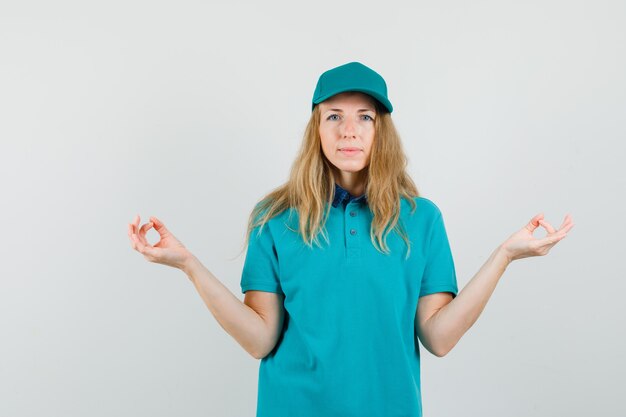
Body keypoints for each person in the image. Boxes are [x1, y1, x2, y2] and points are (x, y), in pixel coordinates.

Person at [127, 61, 574, 417]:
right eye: (334, 116)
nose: (349, 131)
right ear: (316, 129)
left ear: (381, 130)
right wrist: (189, 264)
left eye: (365, 117)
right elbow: (260, 339)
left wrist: (504, 256)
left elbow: (438, 337)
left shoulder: (420, 220)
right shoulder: (275, 218)